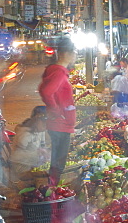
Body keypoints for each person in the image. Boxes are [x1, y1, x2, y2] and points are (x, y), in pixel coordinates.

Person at [38, 38, 76, 186]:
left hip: (59, 123)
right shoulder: (59, 73)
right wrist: (56, 111)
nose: (74, 56)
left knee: (57, 160)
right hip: (60, 124)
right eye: (73, 52)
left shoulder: (56, 71)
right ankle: (52, 190)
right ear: (65, 53)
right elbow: (47, 92)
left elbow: (43, 89)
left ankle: (52, 187)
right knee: (59, 161)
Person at [7, 106, 49, 184]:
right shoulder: (25, 134)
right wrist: (37, 154)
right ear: (36, 121)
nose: (46, 126)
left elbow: (43, 145)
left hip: (33, 166)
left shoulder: (40, 131)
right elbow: (15, 156)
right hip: (21, 170)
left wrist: (44, 150)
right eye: (44, 123)